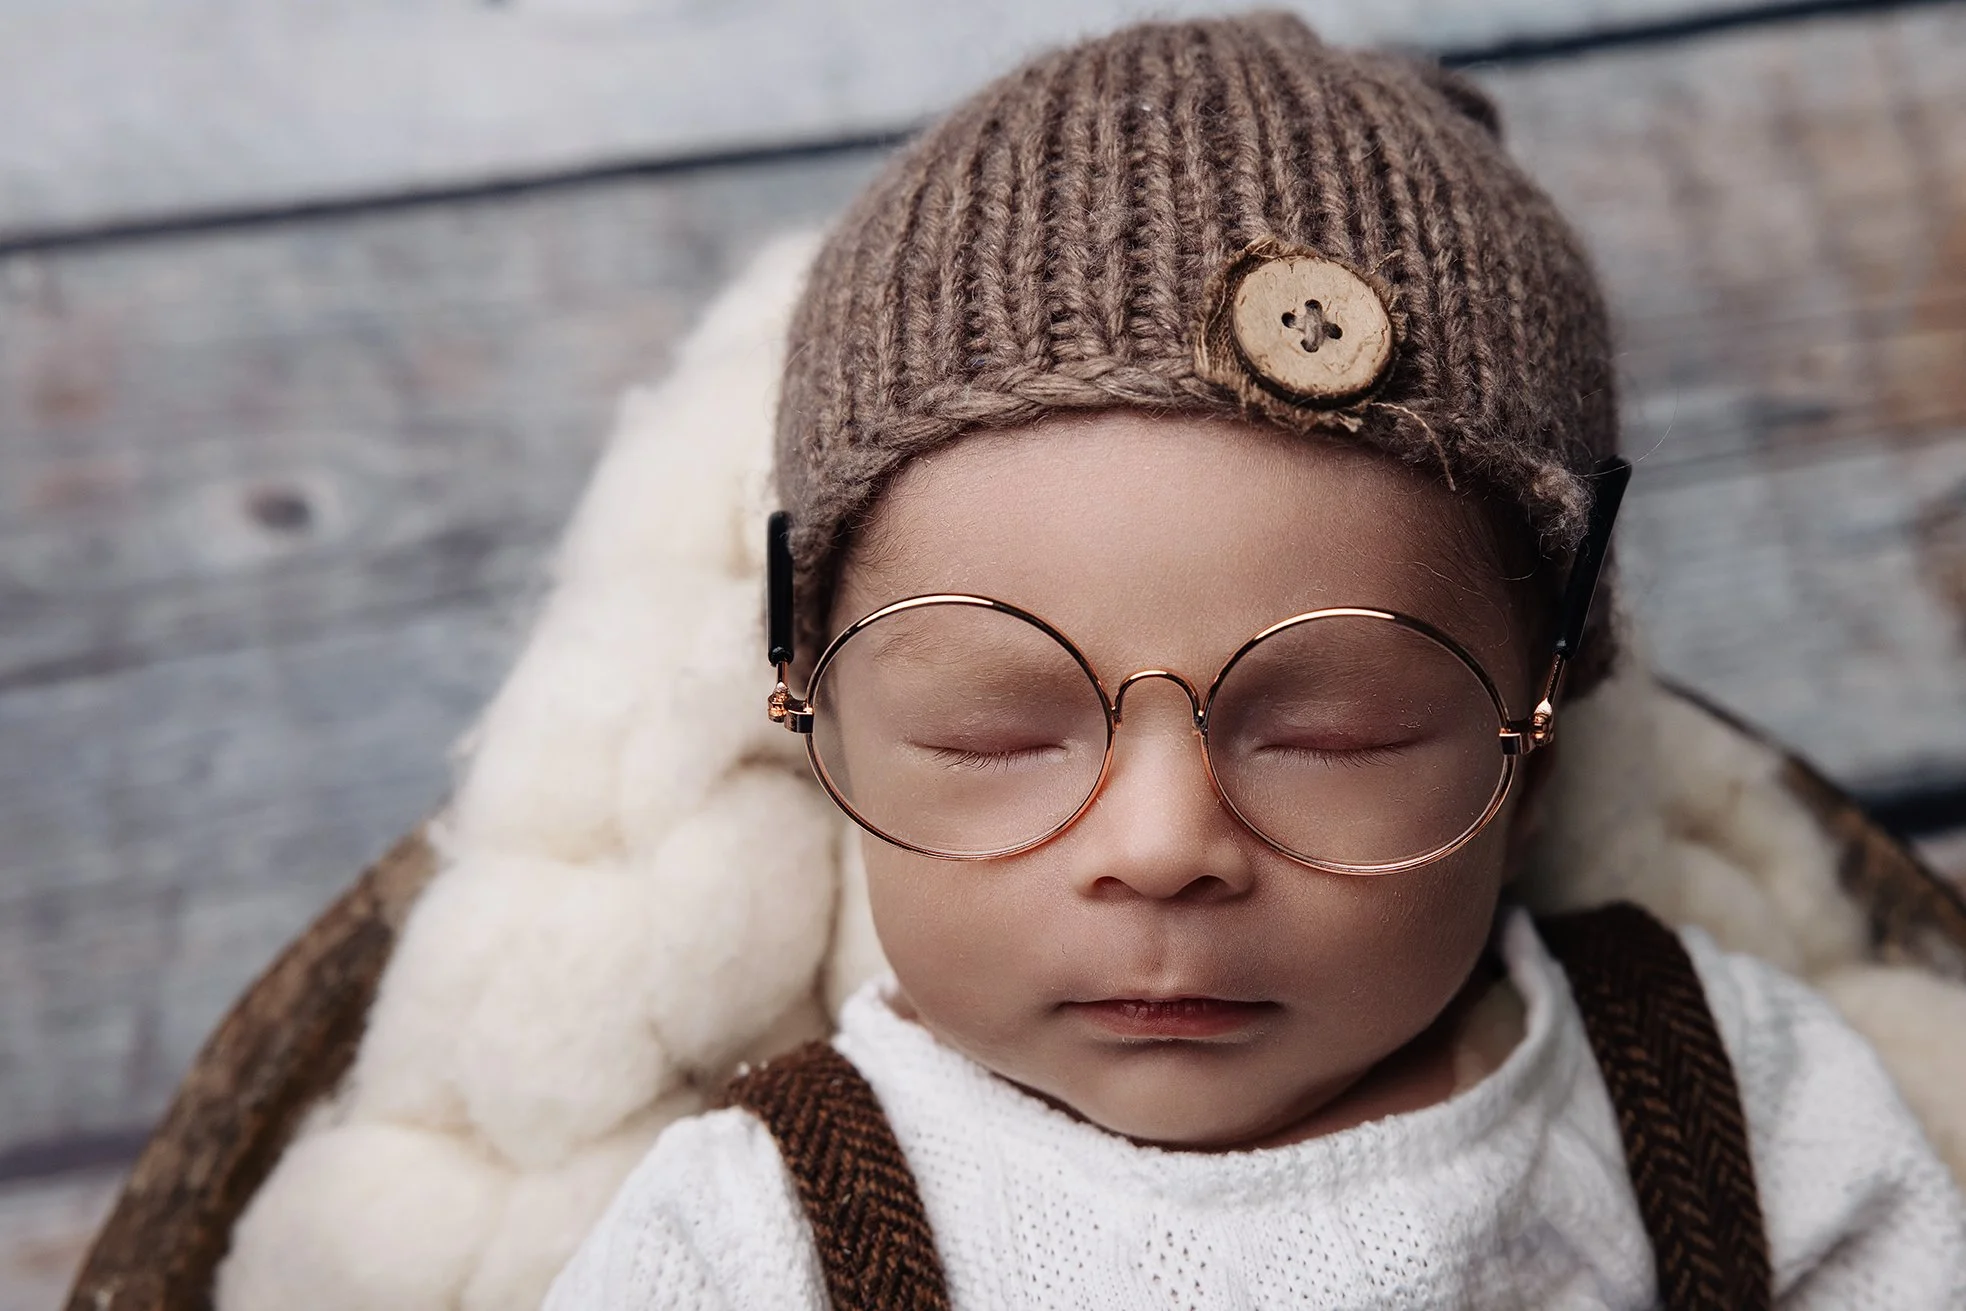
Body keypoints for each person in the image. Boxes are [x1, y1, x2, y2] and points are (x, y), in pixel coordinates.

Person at [544, 13, 1966, 1307]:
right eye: (991, 732)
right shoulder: (756, 1237)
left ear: (1531, 740)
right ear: (822, 727)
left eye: (1333, 732)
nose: (1163, 848)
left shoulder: (1728, 1095)